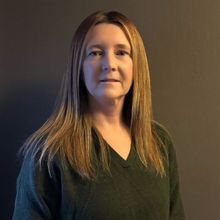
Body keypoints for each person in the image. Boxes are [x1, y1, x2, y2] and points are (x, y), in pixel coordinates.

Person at [13, 11, 185, 219]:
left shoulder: (160, 143)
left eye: (121, 52)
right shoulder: (48, 153)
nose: (109, 64)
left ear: (136, 66)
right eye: (95, 53)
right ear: (79, 67)